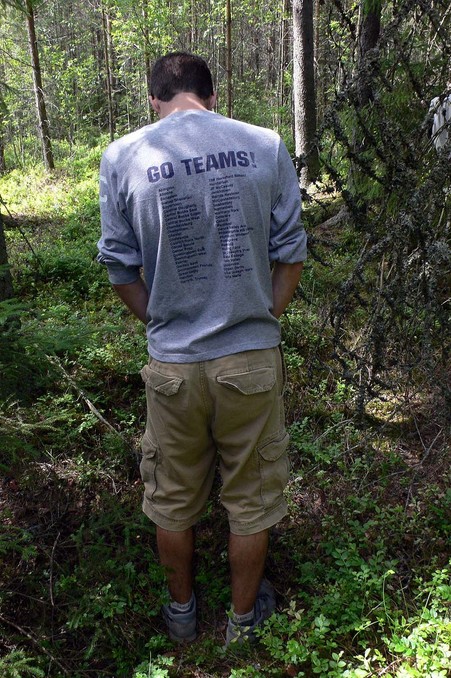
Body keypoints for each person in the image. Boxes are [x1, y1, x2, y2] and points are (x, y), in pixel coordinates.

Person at [97, 52, 307, 645]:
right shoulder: (263, 144)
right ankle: (243, 625)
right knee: (252, 499)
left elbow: (118, 266)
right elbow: (291, 251)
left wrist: (158, 321)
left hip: (172, 367)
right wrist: (262, 317)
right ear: (211, 97)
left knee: (172, 498)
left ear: (155, 100)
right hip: (252, 358)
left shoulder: (123, 156)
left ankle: (182, 618)